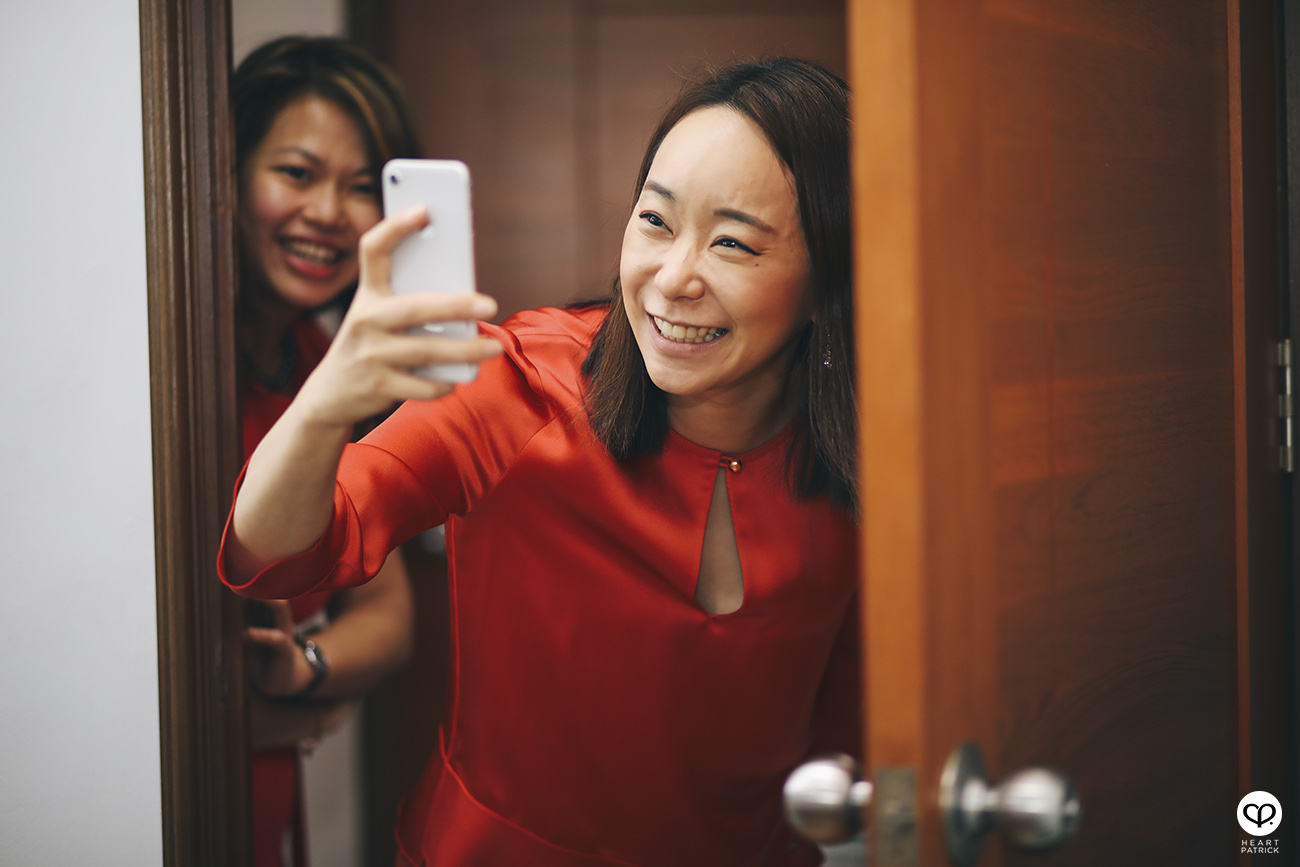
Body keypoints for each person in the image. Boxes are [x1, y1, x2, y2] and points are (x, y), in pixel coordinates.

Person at [221, 57, 860, 866]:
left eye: (732, 242)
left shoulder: (866, 460)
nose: (671, 278)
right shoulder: (516, 381)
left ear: (829, 275)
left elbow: (849, 720)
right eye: (655, 221)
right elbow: (275, 554)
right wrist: (328, 395)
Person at [229, 35, 423, 867]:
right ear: (229, 177)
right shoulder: (172, 377)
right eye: (297, 174)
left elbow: (389, 616)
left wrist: (305, 676)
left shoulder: (318, 359)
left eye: (360, 188)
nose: (330, 214)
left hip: (265, 785)